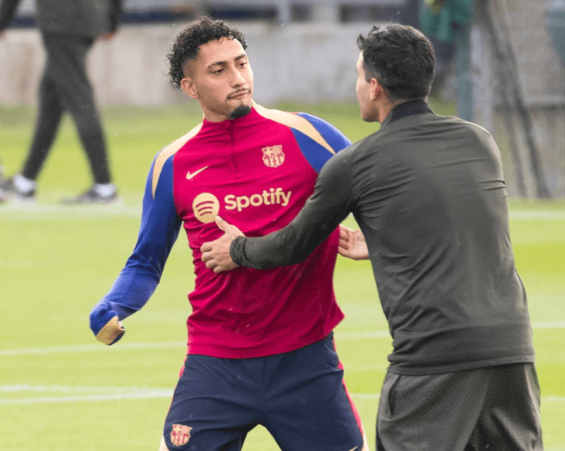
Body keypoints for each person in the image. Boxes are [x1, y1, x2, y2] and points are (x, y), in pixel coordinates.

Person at [202, 24, 544, 451]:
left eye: (358, 75)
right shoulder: (479, 141)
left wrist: (238, 249)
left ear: (375, 87)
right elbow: (459, 218)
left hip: (434, 357)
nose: (357, 86)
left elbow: (293, 245)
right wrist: (385, 241)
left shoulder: (356, 165)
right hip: (512, 350)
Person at [88, 17, 366, 451]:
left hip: (306, 360)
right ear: (190, 87)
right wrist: (116, 302)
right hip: (215, 363)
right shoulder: (172, 164)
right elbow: (146, 260)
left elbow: (385, 197)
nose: (238, 79)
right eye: (219, 71)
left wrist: (379, 240)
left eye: (242, 63)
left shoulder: (310, 135)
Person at [0, 0, 122, 204]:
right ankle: (25, 183)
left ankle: (104, 187)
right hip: (91, 15)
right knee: (51, 97)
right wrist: (112, 19)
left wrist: (2, 20)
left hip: (61, 20)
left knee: (80, 99)